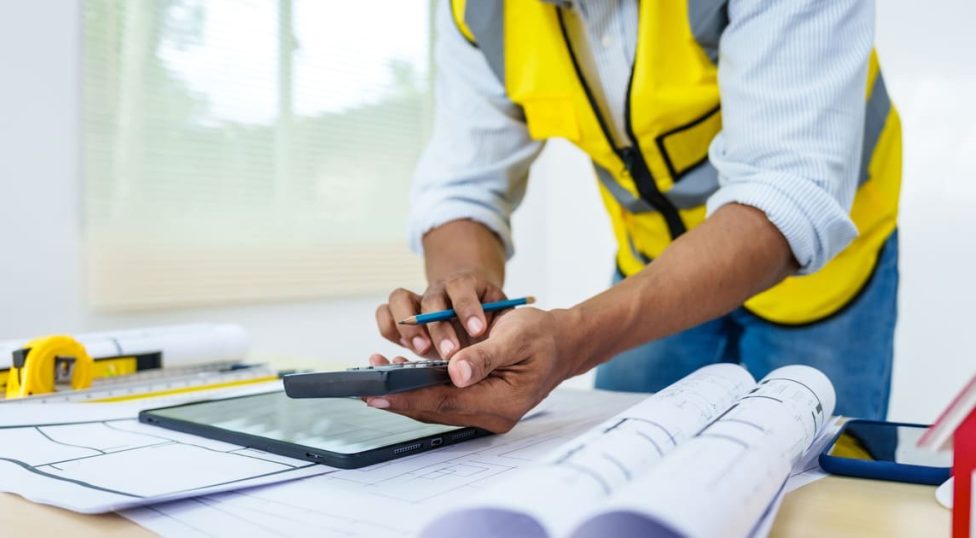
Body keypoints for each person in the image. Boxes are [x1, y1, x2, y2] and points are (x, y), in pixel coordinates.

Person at [368, 0, 901, 433]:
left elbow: (787, 192)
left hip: (823, 274)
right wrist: (462, 295)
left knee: (819, 480)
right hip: (654, 268)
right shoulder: (475, 10)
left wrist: (574, 339)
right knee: (624, 457)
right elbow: (463, 187)